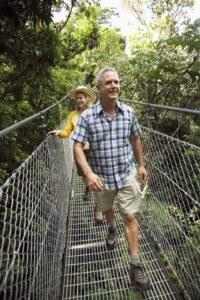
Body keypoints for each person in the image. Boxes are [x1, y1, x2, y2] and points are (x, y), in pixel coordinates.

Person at [72, 68, 151, 291]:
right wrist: (87, 173)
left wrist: (141, 165)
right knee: (107, 208)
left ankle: (135, 264)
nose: (114, 85)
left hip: (126, 173)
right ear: (99, 88)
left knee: (129, 214)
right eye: (108, 82)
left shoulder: (129, 112)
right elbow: (77, 146)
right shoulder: (87, 116)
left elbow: (136, 139)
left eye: (116, 81)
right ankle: (111, 228)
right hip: (101, 177)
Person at [47, 86, 103, 224]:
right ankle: (89, 188)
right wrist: (59, 133)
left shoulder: (95, 112)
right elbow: (67, 131)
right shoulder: (73, 115)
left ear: (87, 98)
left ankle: (98, 209)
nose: (78, 100)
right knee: (86, 177)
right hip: (79, 151)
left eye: (81, 98)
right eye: (76, 98)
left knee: (98, 177)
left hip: (95, 149)